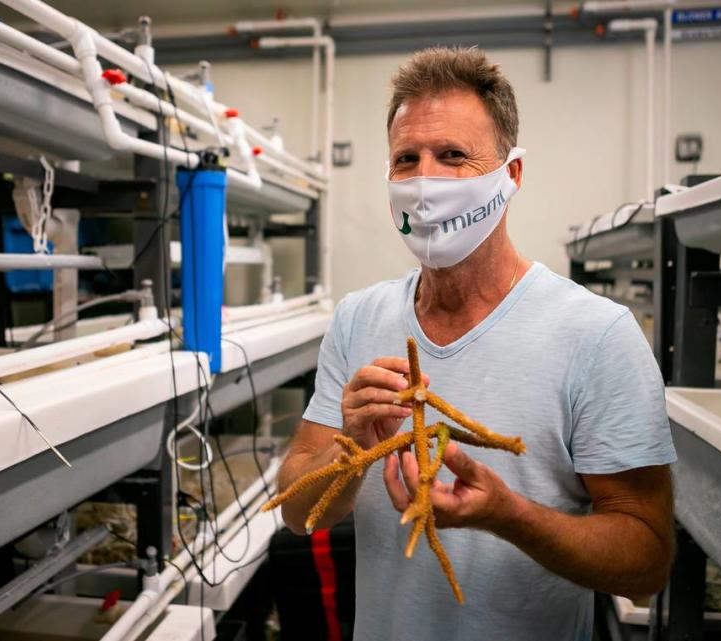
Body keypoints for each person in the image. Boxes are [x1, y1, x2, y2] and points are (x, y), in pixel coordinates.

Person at [277, 46, 676, 640]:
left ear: (510, 174)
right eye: (406, 159)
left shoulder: (597, 335)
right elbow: (297, 513)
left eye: (453, 156)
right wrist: (348, 448)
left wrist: (507, 515)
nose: (424, 181)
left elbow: (646, 562)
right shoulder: (358, 318)